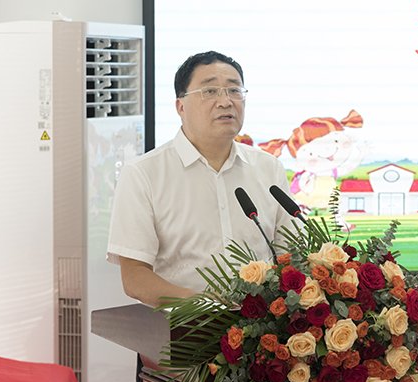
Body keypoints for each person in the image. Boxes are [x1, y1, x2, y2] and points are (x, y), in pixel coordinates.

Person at [107, 50, 294, 307]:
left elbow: (289, 255)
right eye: (210, 91)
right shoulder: (143, 174)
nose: (225, 101)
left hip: (259, 326)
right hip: (182, 327)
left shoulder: (269, 168)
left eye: (234, 90)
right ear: (181, 106)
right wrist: (202, 304)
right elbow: (134, 277)